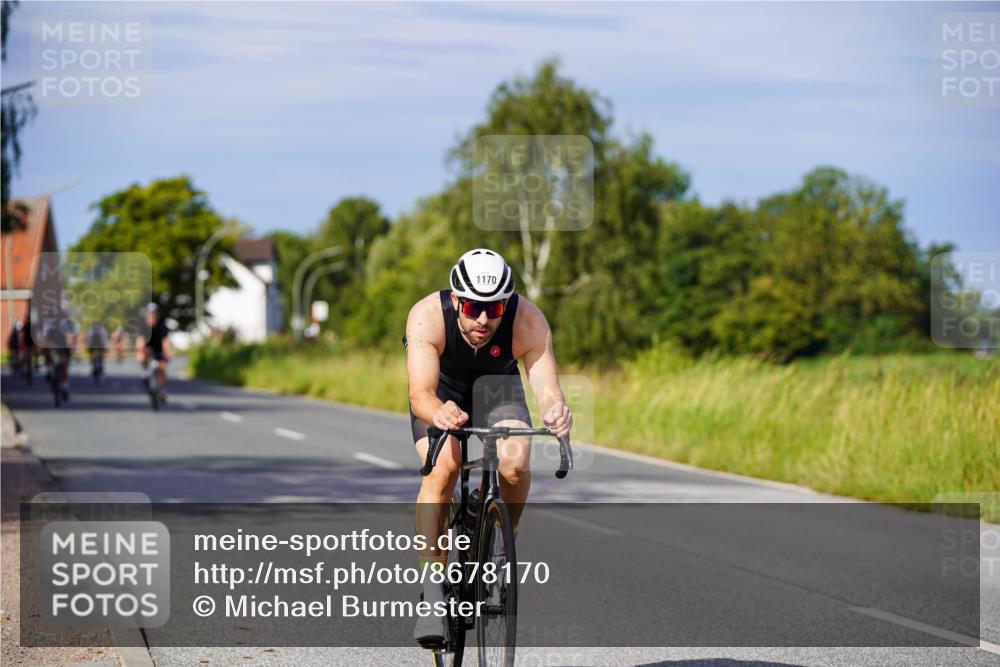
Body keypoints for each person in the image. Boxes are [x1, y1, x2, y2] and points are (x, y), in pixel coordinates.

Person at [405, 248, 572, 645]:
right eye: (474, 307)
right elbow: (420, 393)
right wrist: (439, 412)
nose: (483, 319)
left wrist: (556, 413)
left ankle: (498, 544)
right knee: (443, 468)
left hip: (499, 390)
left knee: (515, 465)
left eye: (495, 309)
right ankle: (432, 594)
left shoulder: (528, 320)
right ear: (457, 299)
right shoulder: (428, 315)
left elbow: (547, 390)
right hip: (442, 393)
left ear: (507, 304)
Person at [136, 303, 171, 402]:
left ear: (157, 314)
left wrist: (167, 352)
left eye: (154, 314)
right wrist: (140, 349)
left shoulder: (162, 325)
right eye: (150, 314)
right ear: (147, 315)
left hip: (158, 349)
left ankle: (163, 390)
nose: (153, 316)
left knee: (162, 368)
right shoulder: (143, 325)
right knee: (141, 356)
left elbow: (165, 341)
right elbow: (140, 340)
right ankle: (145, 372)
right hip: (147, 347)